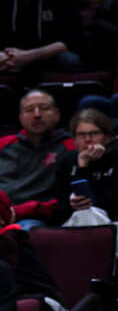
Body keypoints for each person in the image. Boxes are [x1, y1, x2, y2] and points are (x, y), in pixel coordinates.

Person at [50, 109, 118, 230]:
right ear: (74, 139)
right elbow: (61, 204)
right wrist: (72, 203)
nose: (88, 139)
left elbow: (114, 202)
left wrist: (84, 168)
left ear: (107, 137)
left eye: (94, 133)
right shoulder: (66, 161)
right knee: (83, 216)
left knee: (87, 215)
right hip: (79, 223)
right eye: (81, 135)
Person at [0, 90, 71, 225]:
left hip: (34, 217)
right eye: (29, 110)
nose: (37, 115)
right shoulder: (4, 144)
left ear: (57, 115)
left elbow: (66, 199)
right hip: (2, 213)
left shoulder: (69, 147)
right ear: (20, 117)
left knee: (23, 231)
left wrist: (20, 211)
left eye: (44, 109)